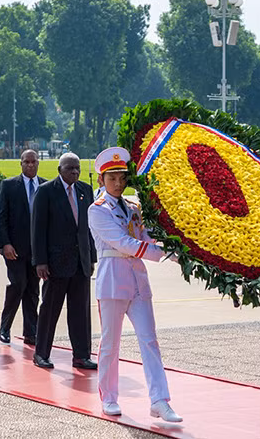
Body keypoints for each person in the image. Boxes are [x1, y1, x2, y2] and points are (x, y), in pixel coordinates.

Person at [88, 147, 182, 422]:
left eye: (122, 178)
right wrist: (163, 255)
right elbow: (125, 243)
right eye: (112, 178)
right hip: (113, 280)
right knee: (110, 343)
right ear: (101, 181)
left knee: (149, 340)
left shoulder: (133, 208)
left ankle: (160, 400)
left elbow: (147, 237)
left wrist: (176, 248)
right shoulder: (97, 210)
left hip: (138, 282)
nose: (118, 183)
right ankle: (109, 397)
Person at [31, 152, 97, 370]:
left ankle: (81, 355)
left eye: (77, 168)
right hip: (55, 263)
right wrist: (40, 261)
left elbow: (89, 228)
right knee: (50, 310)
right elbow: (38, 229)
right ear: (60, 170)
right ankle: (41, 353)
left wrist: (92, 256)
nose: (75, 172)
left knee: (80, 311)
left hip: (81, 262)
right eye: (70, 168)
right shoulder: (46, 191)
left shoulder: (85, 191)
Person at [0, 149, 46, 345]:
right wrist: (5, 243)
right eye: (26, 162)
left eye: (33, 161)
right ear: (21, 163)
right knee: (18, 285)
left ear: (38, 163)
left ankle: (30, 332)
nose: (30, 165)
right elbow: (2, 217)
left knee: (33, 290)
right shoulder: (9, 186)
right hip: (15, 249)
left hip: (37, 250)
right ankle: (5, 327)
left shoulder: (45, 186)